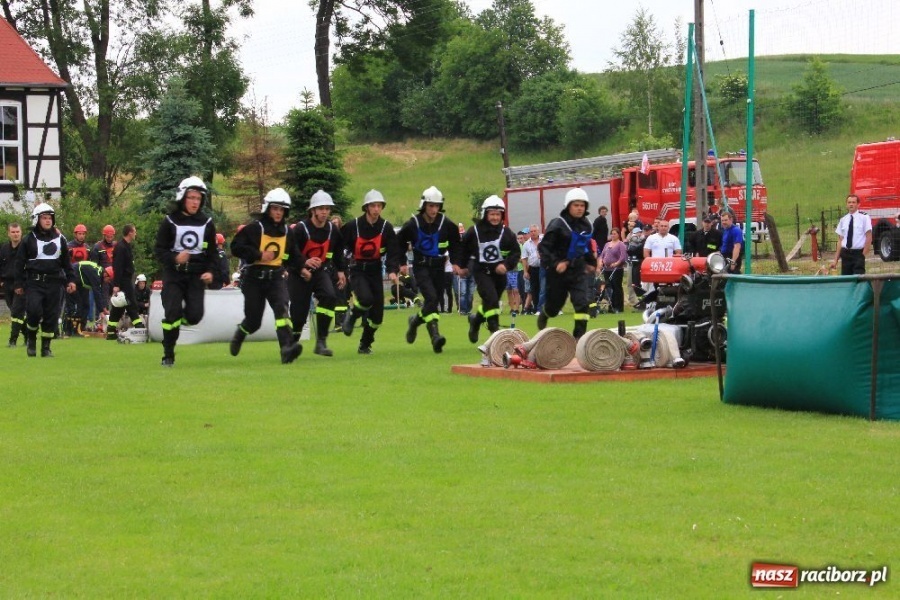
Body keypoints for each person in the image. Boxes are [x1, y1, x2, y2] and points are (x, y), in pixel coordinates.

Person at [230, 187, 302, 364]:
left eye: (281, 210)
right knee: (254, 321)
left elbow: (294, 255)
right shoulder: (254, 228)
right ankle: (241, 333)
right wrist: (258, 254)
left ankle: (286, 349)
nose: (278, 213)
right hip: (253, 278)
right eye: (275, 209)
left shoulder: (287, 232)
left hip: (276, 277)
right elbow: (235, 247)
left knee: (282, 310)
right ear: (268, 209)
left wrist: (304, 267)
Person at [154, 176, 218, 367]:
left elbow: (213, 252)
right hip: (174, 274)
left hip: (196, 276)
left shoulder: (207, 222)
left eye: (198, 198)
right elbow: (159, 250)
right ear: (183, 198)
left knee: (195, 316)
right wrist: (174, 259)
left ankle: (177, 321)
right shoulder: (170, 221)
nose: (194, 202)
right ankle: (168, 353)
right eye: (191, 198)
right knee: (171, 313)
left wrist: (210, 271)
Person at [397, 185, 463, 353]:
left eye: (437, 206)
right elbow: (398, 243)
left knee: (435, 301)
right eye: (431, 206)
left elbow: (456, 243)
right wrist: (402, 262)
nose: (434, 209)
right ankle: (435, 336)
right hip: (421, 267)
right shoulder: (413, 224)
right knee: (432, 298)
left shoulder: (446, 224)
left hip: (439, 266)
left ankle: (415, 321)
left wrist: (456, 262)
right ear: (424, 205)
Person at [340, 189, 401, 354]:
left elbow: (393, 252)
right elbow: (340, 244)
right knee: (366, 299)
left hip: (375, 270)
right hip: (358, 270)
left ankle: (365, 344)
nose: (376, 209)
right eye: (373, 206)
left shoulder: (386, 228)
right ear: (366, 207)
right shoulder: (353, 226)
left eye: (379, 206)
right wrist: (342, 266)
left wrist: (392, 270)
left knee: (377, 317)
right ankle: (352, 316)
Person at [287, 189, 346, 357]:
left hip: (320, 273)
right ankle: (292, 344)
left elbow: (337, 251)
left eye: (327, 209)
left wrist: (341, 270)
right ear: (312, 210)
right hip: (298, 274)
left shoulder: (333, 230)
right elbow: (289, 253)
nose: (324, 212)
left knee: (330, 296)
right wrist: (303, 265)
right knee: (299, 314)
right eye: (321, 209)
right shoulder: (300, 229)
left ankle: (321, 341)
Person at [13, 204, 77, 357]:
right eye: (44, 218)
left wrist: (71, 280)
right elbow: (19, 263)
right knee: (34, 312)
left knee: (51, 316)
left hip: (54, 283)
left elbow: (66, 263)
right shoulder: (28, 239)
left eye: (50, 218)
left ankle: (46, 348)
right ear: (37, 219)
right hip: (34, 283)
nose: (48, 221)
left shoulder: (60, 239)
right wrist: (18, 283)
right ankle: (32, 340)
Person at [537, 188, 597, 339]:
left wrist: (591, 262)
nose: (579, 208)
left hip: (578, 270)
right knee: (555, 308)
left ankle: (579, 337)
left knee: (582, 303)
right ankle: (545, 313)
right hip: (558, 273)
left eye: (582, 205)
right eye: (576, 205)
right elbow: (543, 247)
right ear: (568, 206)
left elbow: (585, 246)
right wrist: (556, 263)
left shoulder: (587, 225)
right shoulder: (558, 224)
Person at [463, 195, 521, 343]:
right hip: (481, 272)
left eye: (498, 214)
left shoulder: (507, 233)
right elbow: (461, 249)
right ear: (485, 214)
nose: (495, 218)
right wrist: (463, 266)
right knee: (492, 300)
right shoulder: (474, 231)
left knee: (489, 302)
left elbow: (516, 252)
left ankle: (475, 321)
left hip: (499, 274)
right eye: (492, 214)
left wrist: (506, 265)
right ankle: (494, 331)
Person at [106, 224, 145, 340]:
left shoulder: (126, 246)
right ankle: (139, 327)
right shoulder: (121, 247)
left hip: (126, 279)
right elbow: (117, 267)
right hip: (123, 281)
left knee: (119, 307)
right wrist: (117, 285)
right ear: (130, 233)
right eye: (135, 231)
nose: (135, 234)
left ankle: (111, 332)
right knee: (131, 303)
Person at [831, 194, 872, 275]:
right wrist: (835, 260)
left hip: (858, 254)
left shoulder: (864, 218)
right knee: (846, 279)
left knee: (858, 278)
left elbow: (869, 237)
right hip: (845, 254)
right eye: (849, 202)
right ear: (846, 204)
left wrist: (863, 255)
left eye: (853, 202)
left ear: (858, 204)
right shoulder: (843, 220)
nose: (851, 204)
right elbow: (840, 240)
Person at [0, 222, 26, 347]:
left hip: (21, 284)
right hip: (7, 283)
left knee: (17, 311)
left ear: (21, 233)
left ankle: (13, 340)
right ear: (9, 234)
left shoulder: (26, 248)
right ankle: (28, 335)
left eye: (17, 232)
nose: (15, 234)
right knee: (15, 312)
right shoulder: (4, 248)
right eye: (13, 232)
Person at [69, 262, 110, 335]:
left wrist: (103, 308)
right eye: (109, 280)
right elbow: (96, 292)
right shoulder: (96, 275)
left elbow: (100, 293)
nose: (108, 282)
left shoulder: (99, 274)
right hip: (74, 276)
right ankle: (72, 329)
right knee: (79, 305)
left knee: (85, 305)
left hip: (81, 281)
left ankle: (81, 328)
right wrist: (101, 311)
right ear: (106, 275)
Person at [598, 227, 627, 313]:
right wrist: (601, 262)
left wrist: (616, 263)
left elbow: (623, 257)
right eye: (612, 234)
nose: (613, 235)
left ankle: (618, 306)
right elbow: (602, 255)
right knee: (608, 287)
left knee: (616, 287)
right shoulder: (607, 244)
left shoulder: (621, 244)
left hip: (616, 269)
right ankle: (611, 306)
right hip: (607, 269)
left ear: (618, 235)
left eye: (615, 234)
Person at [521, 224, 543, 314]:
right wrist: (525, 271)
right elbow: (524, 258)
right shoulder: (526, 244)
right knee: (534, 289)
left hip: (544, 267)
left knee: (545, 288)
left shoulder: (544, 240)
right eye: (531, 231)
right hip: (533, 268)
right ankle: (537, 308)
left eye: (535, 231)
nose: (533, 233)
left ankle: (546, 307)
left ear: (538, 231)